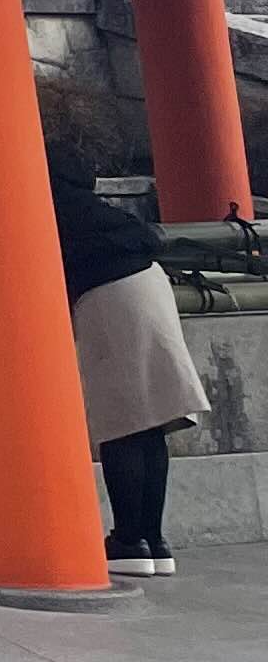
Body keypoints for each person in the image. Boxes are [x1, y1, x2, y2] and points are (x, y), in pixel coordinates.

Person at [57, 166, 209, 575]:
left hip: (108, 299)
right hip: (151, 287)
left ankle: (128, 541)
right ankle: (154, 541)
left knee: (121, 423)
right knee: (151, 423)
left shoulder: (51, 209)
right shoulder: (99, 213)